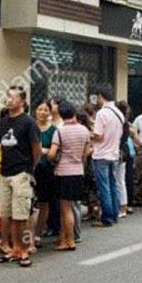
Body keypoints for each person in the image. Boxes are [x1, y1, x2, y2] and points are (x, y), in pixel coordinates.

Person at [0, 86, 40, 267]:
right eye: (7, 96)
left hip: (22, 173)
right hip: (4, 172)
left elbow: (36, 149)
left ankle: (23, 249)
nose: (9, 100)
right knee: (5, 214)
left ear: (22, 101)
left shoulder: (28, 122)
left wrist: (29, 169)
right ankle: (8, 247)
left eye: (13, 97)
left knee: (21, 214)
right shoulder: (3, 122)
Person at [48, 100, 91, 250]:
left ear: (60, 114)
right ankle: (64, 238)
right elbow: (86, 153)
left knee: (65, 209)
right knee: (72, 207)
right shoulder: (84, 130)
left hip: (63, 172)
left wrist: (50, 157)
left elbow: (52, 154)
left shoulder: (59, 131)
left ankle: (69, 240)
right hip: (78, 171)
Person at [91, 83, 125, 227]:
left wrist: (89, 135)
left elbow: (98, 136)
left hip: (101, 154)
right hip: (114, 154)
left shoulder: (102, 113)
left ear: (100, 96)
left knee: (104, 187)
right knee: (112, 185)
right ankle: (115, 214)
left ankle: (107, 218)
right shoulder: (119, 113)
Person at [32, 100, 57, 244]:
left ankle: (38, 232)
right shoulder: (30, 126)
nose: (42, 112)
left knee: (44, 202)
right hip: (30, 169)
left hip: (47, 170)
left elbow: (54, 152)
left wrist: (42, 151)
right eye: (40, 109)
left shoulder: (53, 130)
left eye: (45, 110)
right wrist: (43, 151)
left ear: (50, 112)